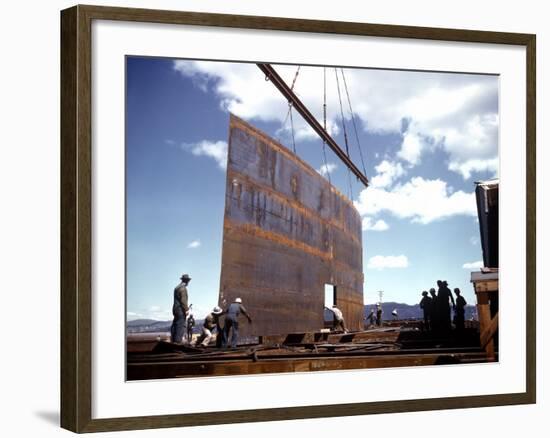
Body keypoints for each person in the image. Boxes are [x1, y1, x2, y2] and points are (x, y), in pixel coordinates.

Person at [170, 274, 190, 343]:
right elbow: (183, 300)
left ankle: (173, 339)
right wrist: (186, 309)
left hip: (175, 309)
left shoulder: (176, 288)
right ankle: (177, 342)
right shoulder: (183, 288)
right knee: (180, 325)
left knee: (175, 324)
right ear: (187, 281)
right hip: (180, 309)